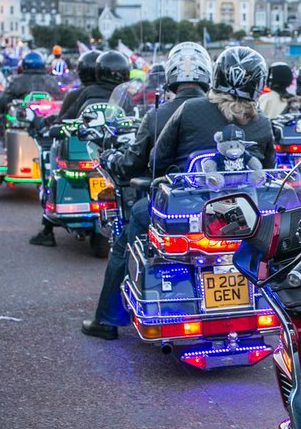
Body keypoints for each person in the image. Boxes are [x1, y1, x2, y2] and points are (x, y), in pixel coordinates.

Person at [81, 43, 214, 339]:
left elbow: (132, 164)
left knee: (124, 242)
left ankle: (106, 320)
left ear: (171, 77)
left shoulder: (157, 115)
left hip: (173, 207)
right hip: (218, 207)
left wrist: (110, 158)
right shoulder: (220, 112)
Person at [30, 49, 129, 247]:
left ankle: (47, 227)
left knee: (51, 164)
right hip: (115, 152)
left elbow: (63, 121)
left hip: (82, 153)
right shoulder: (124, 97)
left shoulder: (82, 94)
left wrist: (53, 126)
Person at [151, 46, 274, 175]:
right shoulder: (263, 122)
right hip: (247, 194)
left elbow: (157, 160)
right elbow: (268, 171)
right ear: (258, 83)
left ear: (217, 75)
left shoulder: (189, 108)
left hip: (192, 194)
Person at [0, 50, 58, 130]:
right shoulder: (52, 81)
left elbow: (3, 101)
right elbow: (61, 100)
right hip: (49, 124)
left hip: (22, 123)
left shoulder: (16, 81)